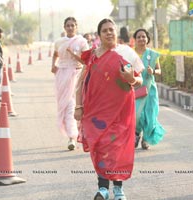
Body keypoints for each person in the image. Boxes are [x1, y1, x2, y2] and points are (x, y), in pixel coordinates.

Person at [74, 18, 144, 200]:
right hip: (95, 112)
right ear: (99, 35)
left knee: (117, 149)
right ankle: (103, 188)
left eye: (111, 30)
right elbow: (82, 82)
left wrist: (131, 78)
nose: (109, 33)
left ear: (116, 32)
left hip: (121, 112)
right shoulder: (94, 55)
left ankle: (118, 189)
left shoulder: (126, 53)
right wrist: (78, 106)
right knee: (100, 147)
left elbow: (139, 80)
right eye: (104, 30)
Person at [51, 17, 89, 151]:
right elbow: (55, 54)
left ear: (76, 27)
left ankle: (76, 135)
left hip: (77, 75)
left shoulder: (82, 42)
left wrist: (73, 55)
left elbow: (87, 60)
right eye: (68, 26)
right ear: (64, 27)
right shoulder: (59, 42)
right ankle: (71, 135)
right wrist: (53, 66)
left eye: (73, 25)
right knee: (65, 105)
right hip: (62, 75)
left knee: (75, 105)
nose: (70, 28)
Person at [133, 28, 166, 150]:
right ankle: (136, 134)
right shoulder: (131, 54)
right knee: (137, 114)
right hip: (135, 88)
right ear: (135, 40)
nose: (141, 39)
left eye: (143, 37)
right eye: (139, 37)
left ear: (147, 39)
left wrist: (153, 71)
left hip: (150, 89)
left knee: (150, 114)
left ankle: (146, 138)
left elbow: (159, 70)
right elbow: (125, 67)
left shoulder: (152, 55)